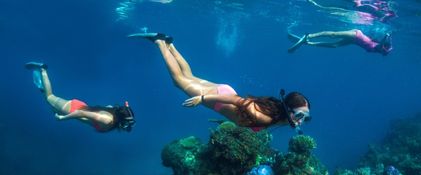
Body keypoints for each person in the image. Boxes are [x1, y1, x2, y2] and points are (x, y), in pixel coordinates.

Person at [128, 33, 311, 133]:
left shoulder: (277, 115)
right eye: (301, 115)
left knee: (189, 76)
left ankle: (171, 44)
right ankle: (160, 42)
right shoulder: (268, 118)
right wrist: (202, 98)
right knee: (179, 81)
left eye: (305, 118)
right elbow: (239, 102)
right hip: (219, 98)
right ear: (289, 109)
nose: (302, 121)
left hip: (225, 93)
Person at [25, 62, 135, 132]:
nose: (126, 126)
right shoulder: (107, 120)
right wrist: (63, 119)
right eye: (126, 123)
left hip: (80, 106)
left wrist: (126, 108)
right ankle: (42, 69)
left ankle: (41, 86)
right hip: (74, 109)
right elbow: (81, 113)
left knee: (52, 106)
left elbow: (110, 108)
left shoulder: (114, 112)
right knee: (49, 97)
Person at [288, 29, 392, 55]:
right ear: (384, 48)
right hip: (356, 34)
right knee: (333, 35)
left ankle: (309, 43)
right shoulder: (379, 46)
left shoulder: (376, 50)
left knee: (334, 45)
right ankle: (309, 36)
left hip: (353, 41)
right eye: (385, 52)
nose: (383, 53)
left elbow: (381, 46)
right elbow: (382, 44)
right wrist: (387, 36)